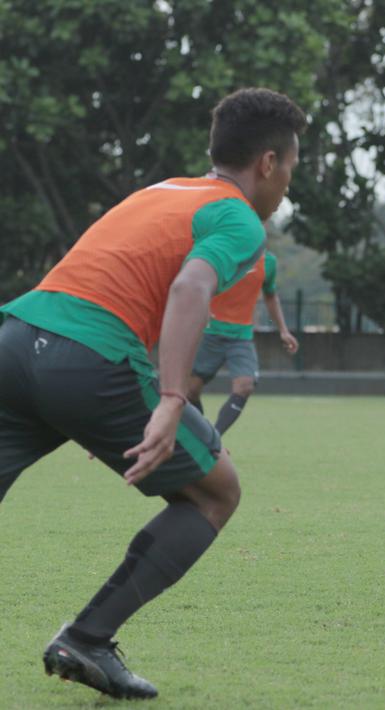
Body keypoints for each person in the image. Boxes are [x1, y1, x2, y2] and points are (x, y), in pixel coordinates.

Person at [0, 88, 305, 699]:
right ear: (267, 163)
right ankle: (87, 638)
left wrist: (100, 405)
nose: (288, 185)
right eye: (292, 167)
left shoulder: (162, 190)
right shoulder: (239, 217)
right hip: (86, 359)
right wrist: (169, 398)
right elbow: (190, 289)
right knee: (216, 492)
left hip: (16, 339)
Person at [187, 250, 299, 435]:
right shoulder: (221, 251)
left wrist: (283, 331)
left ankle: (214, 438)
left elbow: (270, 296)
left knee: (245, 385)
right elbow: (195, 282)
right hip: (208, 333)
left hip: (241, 337)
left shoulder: (268, 262)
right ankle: (203, 438)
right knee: (190, 391)